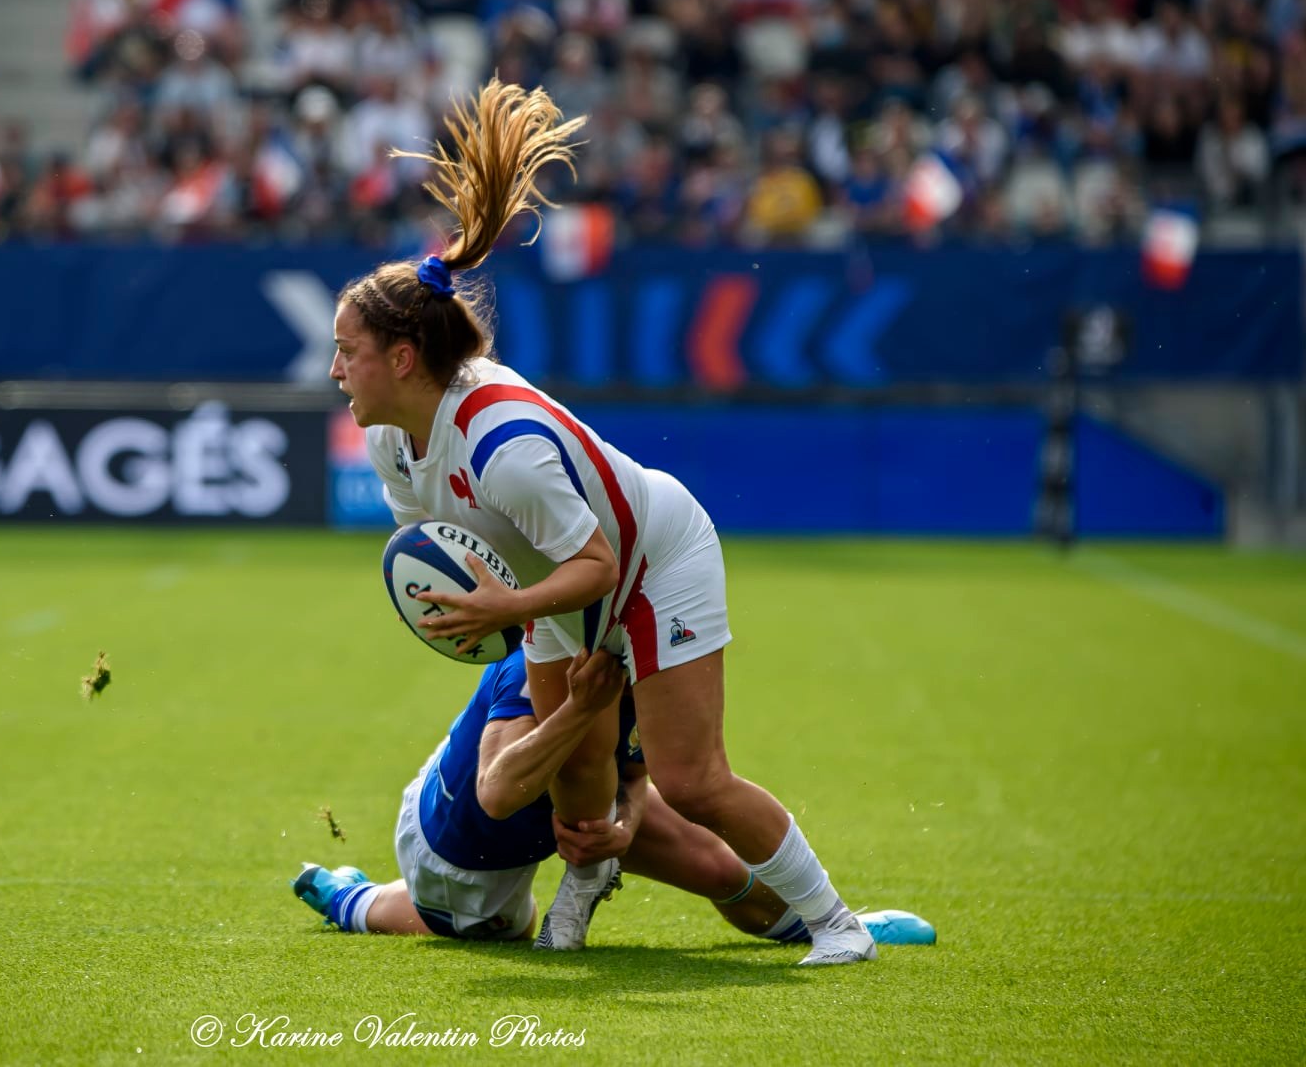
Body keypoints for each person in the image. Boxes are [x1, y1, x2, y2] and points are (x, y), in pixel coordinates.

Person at [328, 79, 875, 965]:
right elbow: (448, 555)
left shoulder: (500, 441)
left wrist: (503, 612)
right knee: (578, 790)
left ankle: (837, 925)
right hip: (559, 588)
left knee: (692, 780)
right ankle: (583, 892)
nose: (334, 370)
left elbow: (594, 559)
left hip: (650, 558)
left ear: (401, 356)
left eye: (347, 352)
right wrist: (485, 613)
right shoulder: (395, 445)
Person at [290, 646, 936, 949]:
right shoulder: (538, 661)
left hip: (579, 809)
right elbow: (496, 793)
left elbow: (633, 770)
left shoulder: (652, 654)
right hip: (462, 847)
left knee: (717, 865)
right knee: (495, 928)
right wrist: (579, 708)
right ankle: (353, 899)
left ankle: (833, 924)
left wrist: (624, 827)